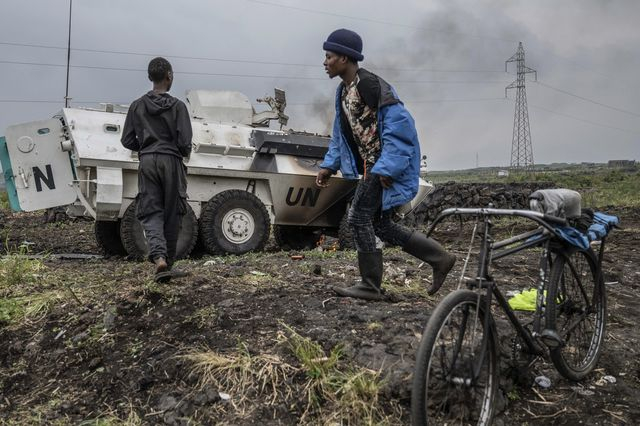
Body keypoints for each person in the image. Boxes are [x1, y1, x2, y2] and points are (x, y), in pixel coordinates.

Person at [316, 29, 456, 301]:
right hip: (373, 166)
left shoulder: (370, 85)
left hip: (380, 166)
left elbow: (401, 126)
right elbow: (341, 132)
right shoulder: (344, 91)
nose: (325, 61)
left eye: (329, 56)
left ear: (344, 58)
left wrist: (387, 168)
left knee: (357, 218)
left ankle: (370, 285)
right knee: (380, 225)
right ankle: (440, 258)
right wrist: (329, 165)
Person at [121, 57, 193, 282]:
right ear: (169, 76)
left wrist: (145, 147)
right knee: (173, 212)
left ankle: (159, 259)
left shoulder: (137, 105)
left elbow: (126, 140)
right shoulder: (179, 106)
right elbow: (185, 143)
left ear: (150, 77)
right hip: (171, 160)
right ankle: (168, 263)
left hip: (148, 161)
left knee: (151, 211)